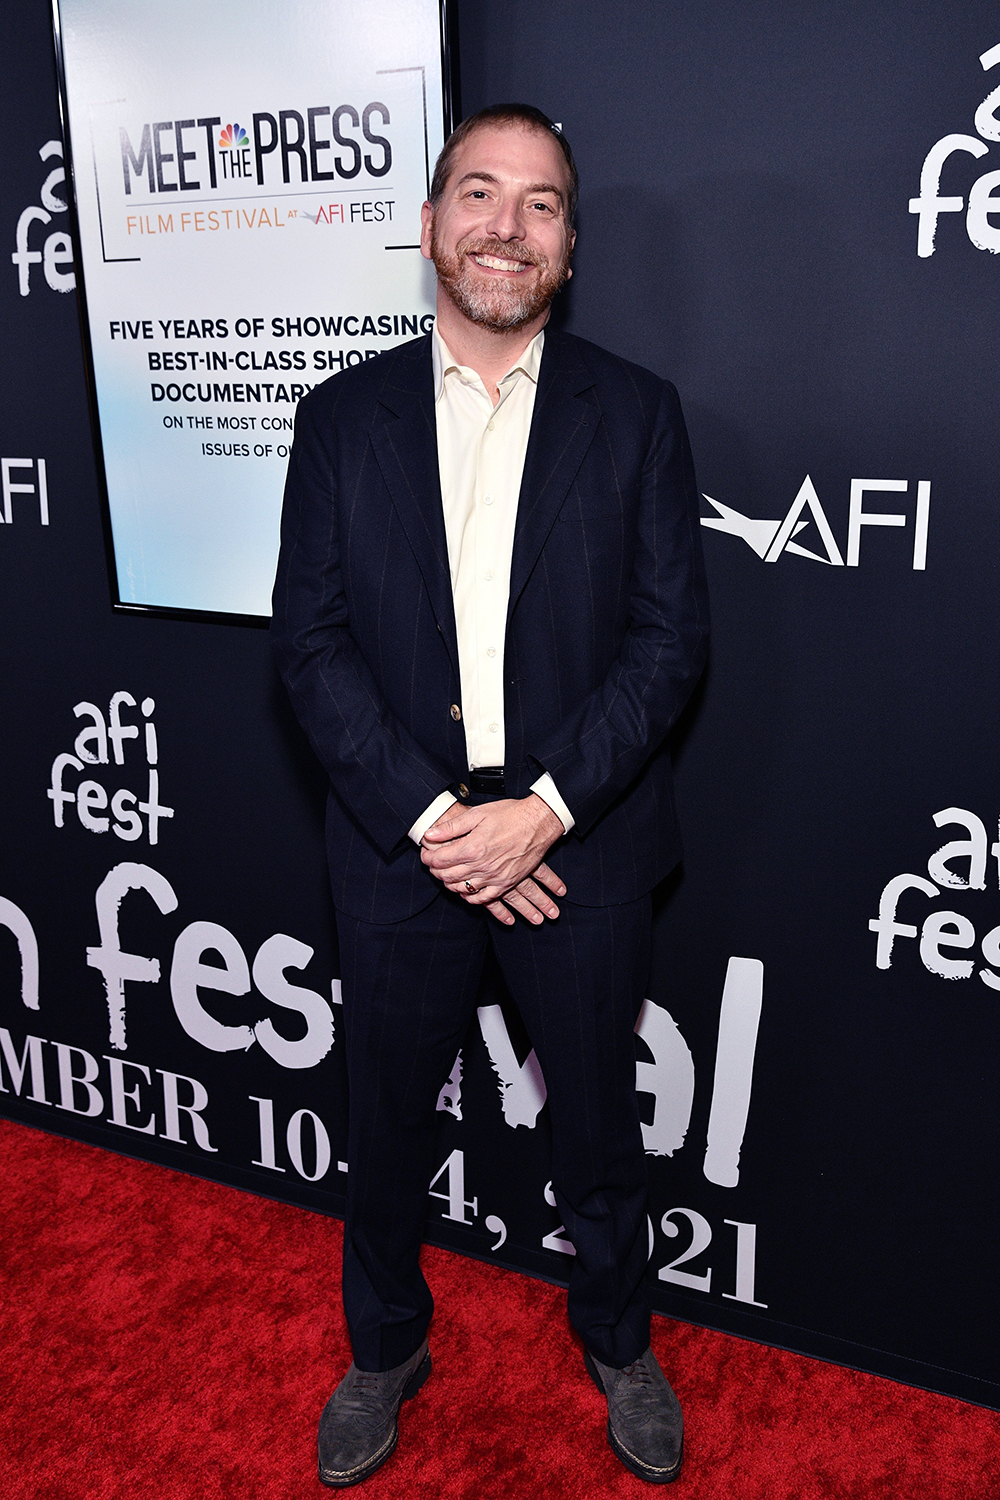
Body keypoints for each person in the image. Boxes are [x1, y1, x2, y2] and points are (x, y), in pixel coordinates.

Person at [271, 102, 709, 1487]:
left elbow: (669, 642)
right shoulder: (339, 419)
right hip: (402, 849)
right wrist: (439, 824)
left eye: (539, 204)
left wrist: (546, 809)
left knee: (598, 1129)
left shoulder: (636, 416)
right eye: (480, 192)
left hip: (575, 847)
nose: (504, 226)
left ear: (569, 247)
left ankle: (620, 1342)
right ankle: (385, 1348)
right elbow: (312, 643)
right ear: (431, 223)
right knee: (385, 1131)